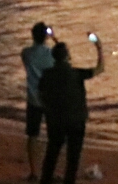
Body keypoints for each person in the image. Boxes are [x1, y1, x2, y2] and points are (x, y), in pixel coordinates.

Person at [37, 37, 104, 184]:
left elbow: (41, 95)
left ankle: (45, 179)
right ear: (67, 56)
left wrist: (48, 110)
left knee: (52, 151)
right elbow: (100, 68)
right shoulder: (76, 73)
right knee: (73, 155)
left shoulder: (47, 75)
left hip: (55, 119)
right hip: (76, 119)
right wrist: (99, 47)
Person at [21, 22, 56, 180]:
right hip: (50, 99)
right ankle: (49, 171)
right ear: (46, 36)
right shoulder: (51, 54)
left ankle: (34, 171)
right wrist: (54, 38)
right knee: (53, 137)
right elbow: (65, 58)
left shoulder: (26, 53)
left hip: (33, 99)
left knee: (33, 135)